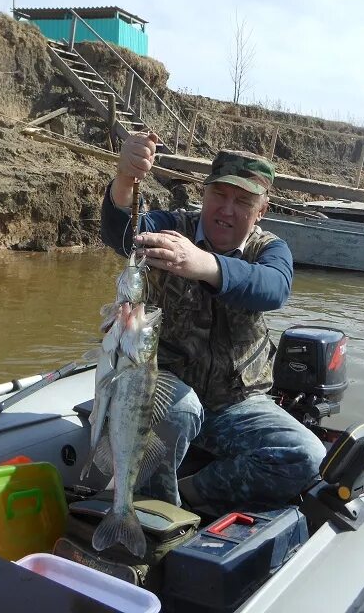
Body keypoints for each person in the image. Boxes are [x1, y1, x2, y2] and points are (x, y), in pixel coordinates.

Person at [101, 132, 325, 516]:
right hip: (164, 393)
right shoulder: (170, 228)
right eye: (219, 195)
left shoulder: (270, 249)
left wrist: (204, 265)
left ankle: (189, 497)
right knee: (182, 408)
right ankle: (147, 514)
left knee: (307, 455)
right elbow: (124, 233)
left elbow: (273, 288)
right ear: (203, 194)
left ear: (262, 210)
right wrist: (124, 181)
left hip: (235, 404)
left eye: (243, 201)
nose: (227, 209)